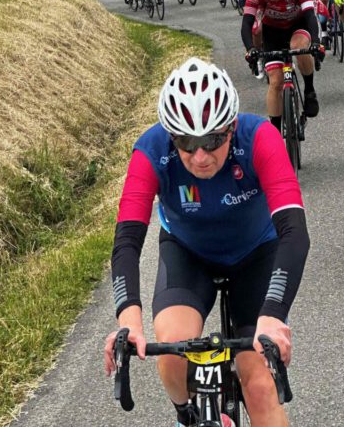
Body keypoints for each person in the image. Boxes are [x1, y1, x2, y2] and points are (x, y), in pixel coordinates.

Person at [103, 58, 310, 427]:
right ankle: (186, 415)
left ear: (231, 126)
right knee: (171, 350)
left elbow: (294, 231)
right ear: (170, 135)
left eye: (213, 139)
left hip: (255, 254)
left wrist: (272, 317)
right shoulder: (150, 150)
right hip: (189, 254)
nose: (200, 156)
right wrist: (128, 319)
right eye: (186, 142)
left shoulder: (260, 136)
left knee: (261, 385)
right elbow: (127, 241)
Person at [241, 0, 324, 126]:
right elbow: (247, 22)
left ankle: (309, 90)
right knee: (276, 81)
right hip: (272, 31)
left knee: (299, 46)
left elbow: (309, 15)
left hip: (297, 25)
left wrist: (315, 42)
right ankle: (275, 132)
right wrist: (250, 49)